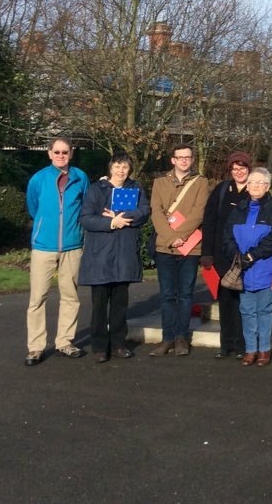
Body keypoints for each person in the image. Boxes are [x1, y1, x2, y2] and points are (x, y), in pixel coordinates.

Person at [78, 152, 150, 362]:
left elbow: (145, 211)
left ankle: (119, 344)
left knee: (120, 304)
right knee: (99, 305)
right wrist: (111, 223)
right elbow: (86, 219)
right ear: (110, 168)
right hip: (101, 256)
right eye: (118, 166)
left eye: (125, 167)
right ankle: (100, 347)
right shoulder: (95, 190)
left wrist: (122, 217)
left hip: (125, 254)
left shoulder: (135, 188)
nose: (121, 171)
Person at [24, 136, 90, 365]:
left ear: (71, 153)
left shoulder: (81, 177)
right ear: (49, 153)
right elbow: (33, 207)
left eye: (65, 152)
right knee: (38, 297)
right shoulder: (38, 179)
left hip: (72, 245)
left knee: (70, 296)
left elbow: (85, 207)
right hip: (44, 247)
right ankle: (35, 347)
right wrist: (44, 228)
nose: (61, 156)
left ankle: (65, 342)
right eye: (57, 152)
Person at [149, 143, 209, 357]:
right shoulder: (159, 182)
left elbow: (198, 212)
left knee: (185, 294)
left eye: (188, 157)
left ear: (192, 160)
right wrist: (170, 237)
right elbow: (156, 212)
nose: (184, 160)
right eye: (180, 157)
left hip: (190, 247)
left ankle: (181, 337)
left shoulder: (201, 183)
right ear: (172, 160)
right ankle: (167, 338)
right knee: (167, 295)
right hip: (165, 246)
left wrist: (180, 237)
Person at [222, 168, 272, 366]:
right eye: (252, 182)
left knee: (264, 309)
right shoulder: (238, 209)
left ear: (267, 186)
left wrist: (252, 255)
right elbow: (227, 236)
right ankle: (250, 349)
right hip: (242, 268)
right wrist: (237, 255)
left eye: (260, 183)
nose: (256, 186)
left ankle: (264, 350)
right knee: (247, 310)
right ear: (247, 186)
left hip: (265, 266)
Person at [200, 150, 252, 359]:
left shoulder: (255, 189)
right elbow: (210, 221)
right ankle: (226, 344)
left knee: (243, 303)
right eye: (235, 168)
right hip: (221, 255)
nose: (239, 172)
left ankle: (242, 345)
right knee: (225, 301)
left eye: (243, 168)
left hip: (245, 256)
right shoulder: (221, 190)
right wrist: (206, 254)